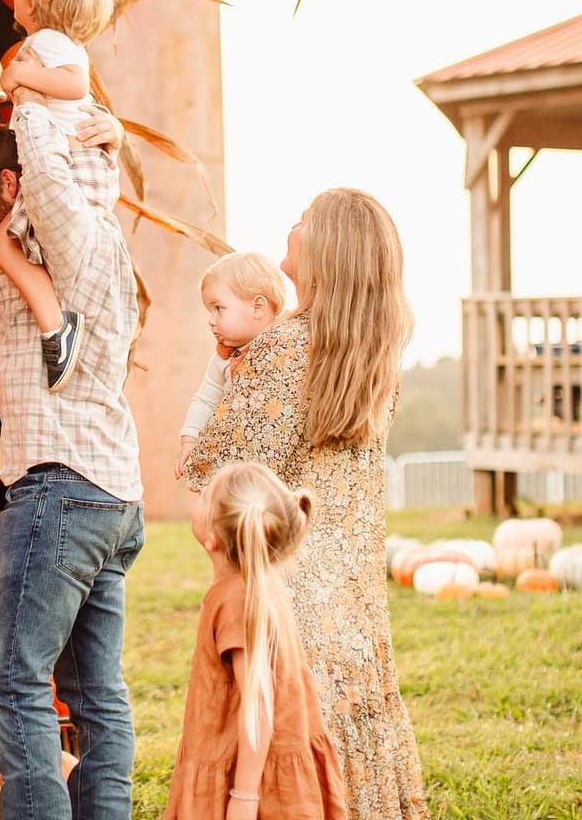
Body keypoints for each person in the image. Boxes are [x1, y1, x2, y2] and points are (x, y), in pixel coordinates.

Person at [183, 188, 428, 819]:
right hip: (353, 599)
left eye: (304, 220)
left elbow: (220, 480)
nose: (291, 228)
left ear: (326, 248)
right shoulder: (375, 359)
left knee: (279, 765)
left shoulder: (281, 348)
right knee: (347, 748)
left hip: (282, 591)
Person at [0, 89, 144, 820]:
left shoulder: (49, 231)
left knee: (14, 679)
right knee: (97, 692)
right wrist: (106, 134)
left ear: (12, 182)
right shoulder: (101, 239)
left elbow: (46, 143)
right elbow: (84, 174)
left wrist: (40, 102)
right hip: (114, 491)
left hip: (59, 485)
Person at [165, 461, 347, 820]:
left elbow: (258, 704)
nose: (197, 496)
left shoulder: (236, 600)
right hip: (260, 763)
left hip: (254, 779)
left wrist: (244, 796)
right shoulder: (259, 585)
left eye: (205, 496)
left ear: (214, 538)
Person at [0, 0, 115, 391]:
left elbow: (75, 85)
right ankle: (57, 324)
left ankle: (57, 326)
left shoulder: (45, 43)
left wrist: (20, 76)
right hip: (80, 165)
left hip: (69, 168)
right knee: (10, 246)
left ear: (35, 7)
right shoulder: (56, 36)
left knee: (5, 248)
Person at [176, 252, 285, 479]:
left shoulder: (286, 348)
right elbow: (205, 399)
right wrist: (189, 438)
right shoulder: (222, 359)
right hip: (235, 462)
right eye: (210, 311)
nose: (210, 320)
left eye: (218, 308)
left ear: (257, 308)